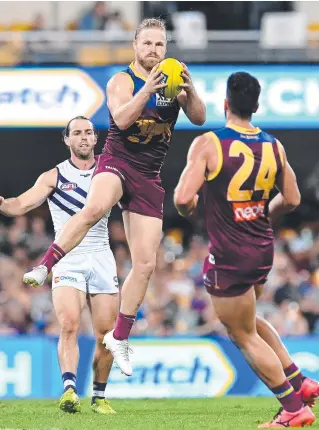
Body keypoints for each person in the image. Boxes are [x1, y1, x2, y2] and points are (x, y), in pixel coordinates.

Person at [22, 18, 206, 377]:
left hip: (149, 175)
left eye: (160, 45)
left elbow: (199, 118)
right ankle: (46, 265)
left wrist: (191, 89)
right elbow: (120, 120)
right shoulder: (122, 80)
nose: (153, 50)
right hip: (117, 162)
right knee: (94, 208)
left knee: (147, 264)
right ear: (135, 46)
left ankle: (119, 337)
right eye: (147, 44)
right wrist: (148, 89)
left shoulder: (174, 80)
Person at [174, 72, 318, 428]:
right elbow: (294, 198)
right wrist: (264, 212)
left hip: (230, 252)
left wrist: (190, 209)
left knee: (241, 333)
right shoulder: (274, 145)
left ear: (225, 104)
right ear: (255, 106)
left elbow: (180, 198)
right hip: (262, 246)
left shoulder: (208, 144)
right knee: (249, 319)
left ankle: (293, 407)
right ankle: (302, 383)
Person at [0, 116, 119, 414]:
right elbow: (21, 204)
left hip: (102, 256)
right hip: (67, 257)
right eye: (76, 133)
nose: (83, 137)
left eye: (88, 132)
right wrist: (3, 204)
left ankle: (99, 396)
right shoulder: (53, 176)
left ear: (95, 138)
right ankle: (69, 389)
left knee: (107, 336)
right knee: (69, 324)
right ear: (66, 140)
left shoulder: (110, 170)